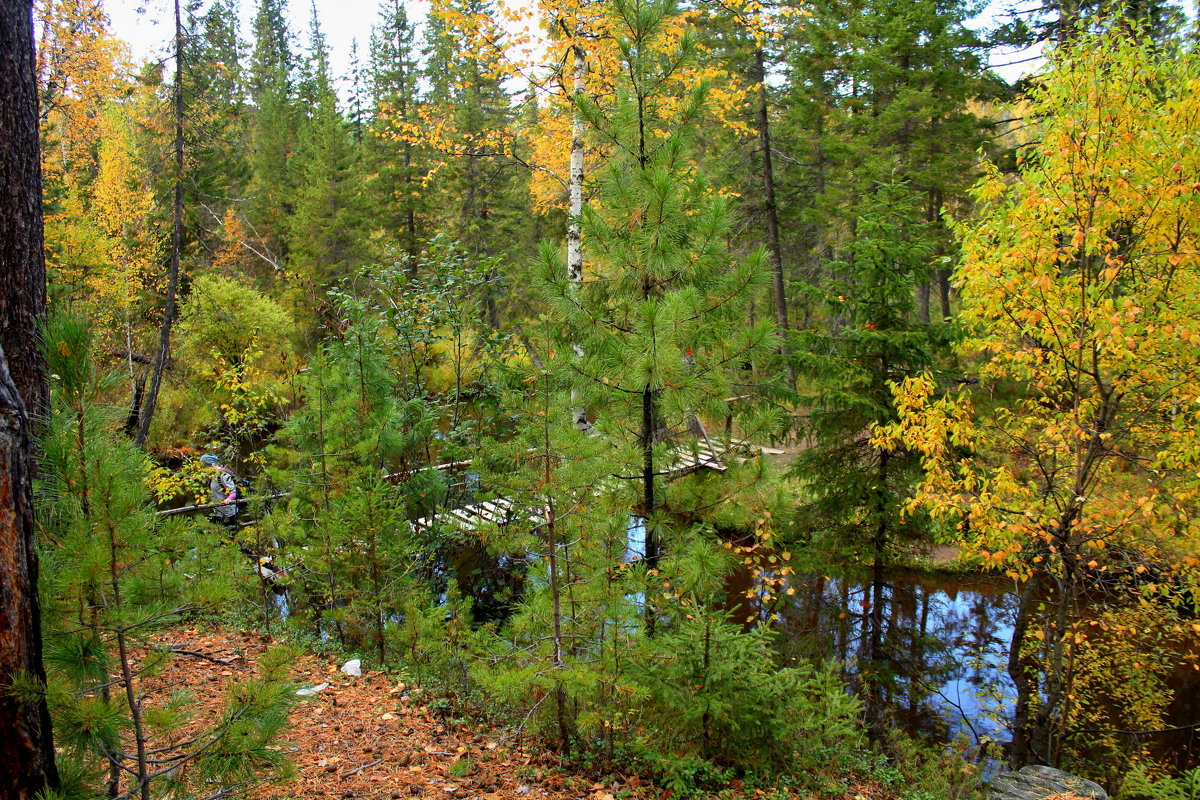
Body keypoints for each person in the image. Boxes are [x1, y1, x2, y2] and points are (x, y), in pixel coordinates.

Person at [200, 454, 239, 530]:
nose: (203, 469)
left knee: (230, 536)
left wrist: (229, 499)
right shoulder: (212, 475)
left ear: (210, 465)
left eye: (204, 466)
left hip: (229, 513)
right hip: (218, 512)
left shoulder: (223, 475)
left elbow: (233, 492)